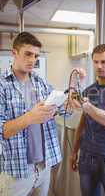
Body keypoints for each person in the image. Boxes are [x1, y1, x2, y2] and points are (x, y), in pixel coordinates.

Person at [0, 31, 71, 196]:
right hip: (16, 170)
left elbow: (62, 111)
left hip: (43, 166)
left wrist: (70, 103)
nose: (32, 60)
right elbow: (2, 130)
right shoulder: (2, 86)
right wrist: (30, 117)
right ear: (14, 53)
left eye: (36, 56)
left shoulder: (41, 83)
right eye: (28, 54)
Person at [69, 44, 105, 196]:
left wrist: (88, 107)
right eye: (95, 62)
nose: (99, 66)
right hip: (86, 156)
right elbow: (83, 123)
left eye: (104, 62)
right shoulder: (89, 90)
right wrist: (74, 151)